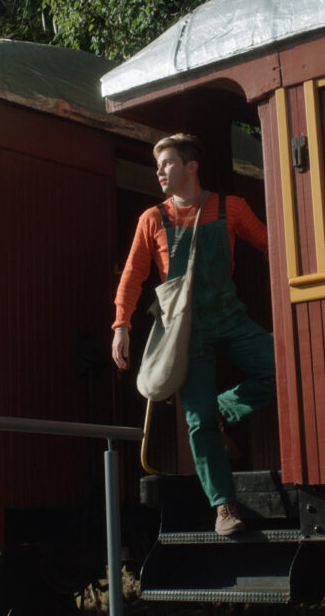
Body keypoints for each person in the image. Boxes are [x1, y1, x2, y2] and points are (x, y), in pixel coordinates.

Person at [112, 133, 277, 536]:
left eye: (167, 163)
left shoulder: (230, 208)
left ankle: (224, 409)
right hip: (185, 331)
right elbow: (133, 276)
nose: (160, 172)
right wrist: (121, 326)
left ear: (191, 167)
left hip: (230, 317)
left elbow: (272, 244)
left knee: (283, 369)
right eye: (157, 166)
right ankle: (224, 507)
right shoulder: (153, 219)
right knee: (197, 422)